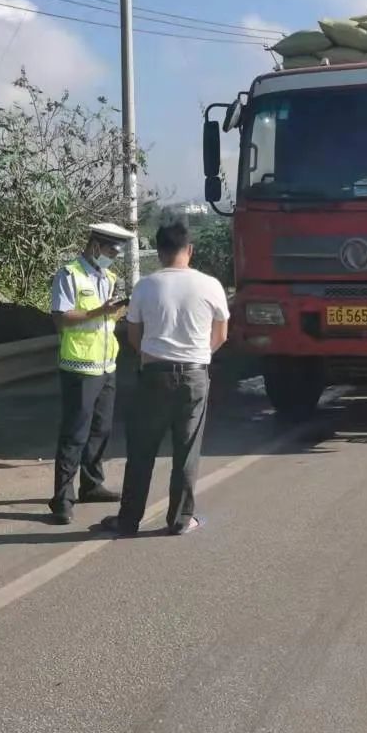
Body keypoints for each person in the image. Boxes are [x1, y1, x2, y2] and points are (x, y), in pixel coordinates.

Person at [100, 221, 229, 537]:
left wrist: (153, 355)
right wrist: (199, 355)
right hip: (195, 377)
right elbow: (222, 334)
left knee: (142, 450)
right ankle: (181, 520)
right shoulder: (210, 285)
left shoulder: (146, 286)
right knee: (186, 451)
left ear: (158, 252)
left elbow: (134, 336)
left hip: (154, 375)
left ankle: (129, 520)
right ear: (190, 250)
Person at [47, 222, 134, 525]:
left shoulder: (108, 277)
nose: (113, 257)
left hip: (106, 365)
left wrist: (120, 310)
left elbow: (108, 319)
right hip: (79, 367)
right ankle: (62, 498)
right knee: (75, 434)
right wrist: (102, 311)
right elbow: (61, 318)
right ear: (96, 246)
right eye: (111, 250)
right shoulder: (69, 275)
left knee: (101, 430)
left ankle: (92, 484)